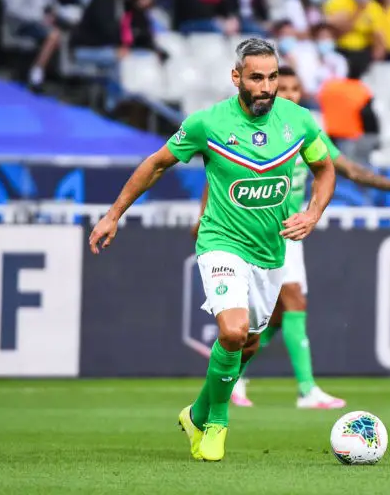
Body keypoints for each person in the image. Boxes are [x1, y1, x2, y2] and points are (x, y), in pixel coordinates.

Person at [88, 39, 336, 462]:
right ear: (236, 77)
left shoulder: (298, 121)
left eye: (272, 77)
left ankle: (196, 413)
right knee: (233, 332)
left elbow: (324, 169)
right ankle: (217, 424)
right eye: (256, 77)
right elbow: (157, 163)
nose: (266, 86)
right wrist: (114, 214)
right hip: (221, 242)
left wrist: (313, 213)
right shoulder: (208, 124)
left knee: (249, 344)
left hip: (270, 250)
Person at [192, 66, 390, 409]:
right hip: (254, 232)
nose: (288, 94)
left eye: (294, 88)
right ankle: (305, 389)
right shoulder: (251, 128)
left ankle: (236, 377)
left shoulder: (301, 129)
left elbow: (347, 168)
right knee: (294, 303)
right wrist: (202, 215)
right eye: (283, 87)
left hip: (289, 231)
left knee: (275, 317)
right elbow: (218, 175)